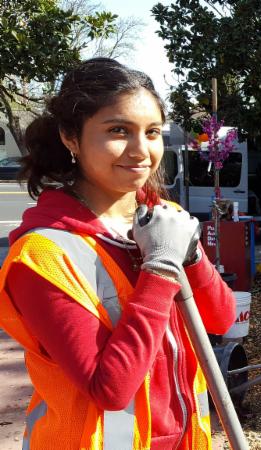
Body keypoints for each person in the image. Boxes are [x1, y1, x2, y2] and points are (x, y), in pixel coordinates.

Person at [0, 58, 236, 449]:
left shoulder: (165, 219)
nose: (141, 150)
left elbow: (221, 318)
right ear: (71, 137)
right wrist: (160, 267)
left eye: (153, 132)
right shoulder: (43, 254)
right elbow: (110, 389)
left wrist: (189, 255)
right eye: (118, 130)